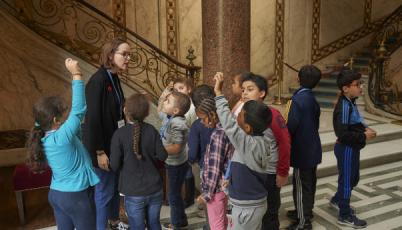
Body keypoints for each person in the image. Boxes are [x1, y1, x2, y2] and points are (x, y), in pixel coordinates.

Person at [27, 58, 99, 230]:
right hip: (76, 197)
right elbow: (79, 109)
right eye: (62, 115)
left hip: (56, 194)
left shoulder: (44, 137)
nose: (65, 117)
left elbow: (76, 130)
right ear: (55, 119)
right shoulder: (61, 138)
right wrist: (76, 74)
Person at [213, 72, 273, 230]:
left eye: (240, 115)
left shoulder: (247, 143)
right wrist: (231, 179)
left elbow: (228, 123)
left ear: (247, 127)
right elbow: (243, 163)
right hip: (251, 203)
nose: (236, 116)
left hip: (246, 207)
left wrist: (219, 93)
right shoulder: (263, 138)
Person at [82, 38, 130, 230]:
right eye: (124, 54)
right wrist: (100, 152)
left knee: (113, 187)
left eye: (129, 55)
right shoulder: (98, 81)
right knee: (103, 190)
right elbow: (93, 120)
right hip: (102, 147)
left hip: (114, 143)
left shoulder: (114, 77)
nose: (128, 58)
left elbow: (116, 109)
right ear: (111, 55)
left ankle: (114, 221)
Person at [109, 93, 168, 230]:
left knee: (137, 226)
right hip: (155, 188)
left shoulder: (119, 134)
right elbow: (163, 156)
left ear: (125, 110)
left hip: (133, 190)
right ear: (146, 114)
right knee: (154, 224)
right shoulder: (152, 130)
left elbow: (115, 165)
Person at [331, 69, 376, 228]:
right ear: (346, 88)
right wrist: (364, 136)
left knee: (352, 178)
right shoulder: (344, 106)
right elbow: (342, 133)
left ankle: (337, 199)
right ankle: (344, 215)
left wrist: (365, 129)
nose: (361, 88)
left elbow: (354, 123)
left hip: (351, 147)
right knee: (348, 181)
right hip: (346, 148)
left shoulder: (350, 101)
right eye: (357, 85)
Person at [286, 65, 322, 230]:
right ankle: (305, 211)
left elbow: (291, 126)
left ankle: (303, 222)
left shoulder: (297, 100)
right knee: (309, 184)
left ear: (298, 79)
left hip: (302, 151)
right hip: (312, 148)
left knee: (301, 186)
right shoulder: (312, 98)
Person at [196, 97, 235, 230]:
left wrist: (207, 194)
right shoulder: (226, 130)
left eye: (203, 118)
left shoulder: (218, 135)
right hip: (222, 188)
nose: (202, 122)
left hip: (215, 190)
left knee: (216, 225)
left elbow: (214, 168)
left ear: (212, 115)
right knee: (222, 220)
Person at [158, 90, 191, 229]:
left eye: (168, 101)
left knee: (173, 195)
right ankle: (181, 219)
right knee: (175, 193)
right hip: (171, 162)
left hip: (176, 164)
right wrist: (163, 97)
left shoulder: (178, 124)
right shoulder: (169, 116)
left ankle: (177, 223)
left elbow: (177, 147)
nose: (165, 102)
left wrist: (158, 151)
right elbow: (160, 110)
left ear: (176, 110)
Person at [172, 78, 197, 208]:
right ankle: (188, 197)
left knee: (187, 170)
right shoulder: (181, 104)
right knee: (185, 170)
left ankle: (188, 198)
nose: (178, 91)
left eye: (181, 88)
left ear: (189, 89)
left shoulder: (190, 107)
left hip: (186, 142)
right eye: (175, 89)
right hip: (182, 141)